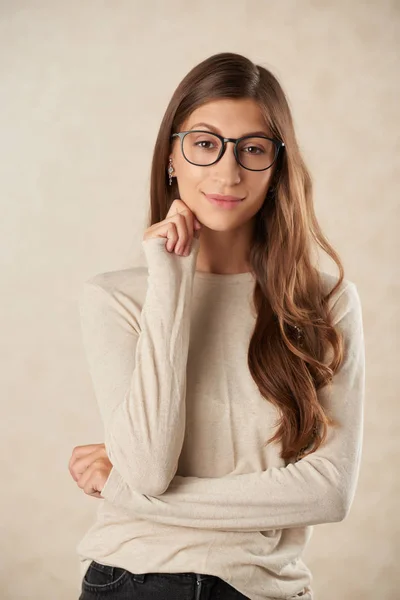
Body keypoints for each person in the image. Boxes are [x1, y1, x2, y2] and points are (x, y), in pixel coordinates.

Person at [69, 51, 365, 600]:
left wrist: (125, 492)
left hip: (266, 590)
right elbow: (151, 468)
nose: (228, 172)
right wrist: (170, 278)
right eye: (205, 144)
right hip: (133, 583)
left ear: (277, 167)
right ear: (171, 158)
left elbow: (328, 493)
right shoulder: (115, 297)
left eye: (252, 149)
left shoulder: (323, 302)